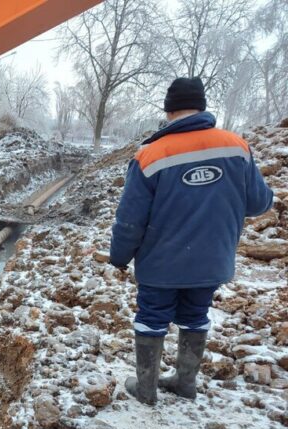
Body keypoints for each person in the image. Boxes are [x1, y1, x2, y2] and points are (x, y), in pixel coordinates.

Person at [110, 77, 274, 406]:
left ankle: (146, 389)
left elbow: (130, 220)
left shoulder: (151, 155)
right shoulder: (236, 147)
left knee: (151, 319)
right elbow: (259, 203)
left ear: (169, 110)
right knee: (196, 315)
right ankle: (185, 383)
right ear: (201, 107)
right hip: (212, 260)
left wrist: (119, 256)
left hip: (161, 263)